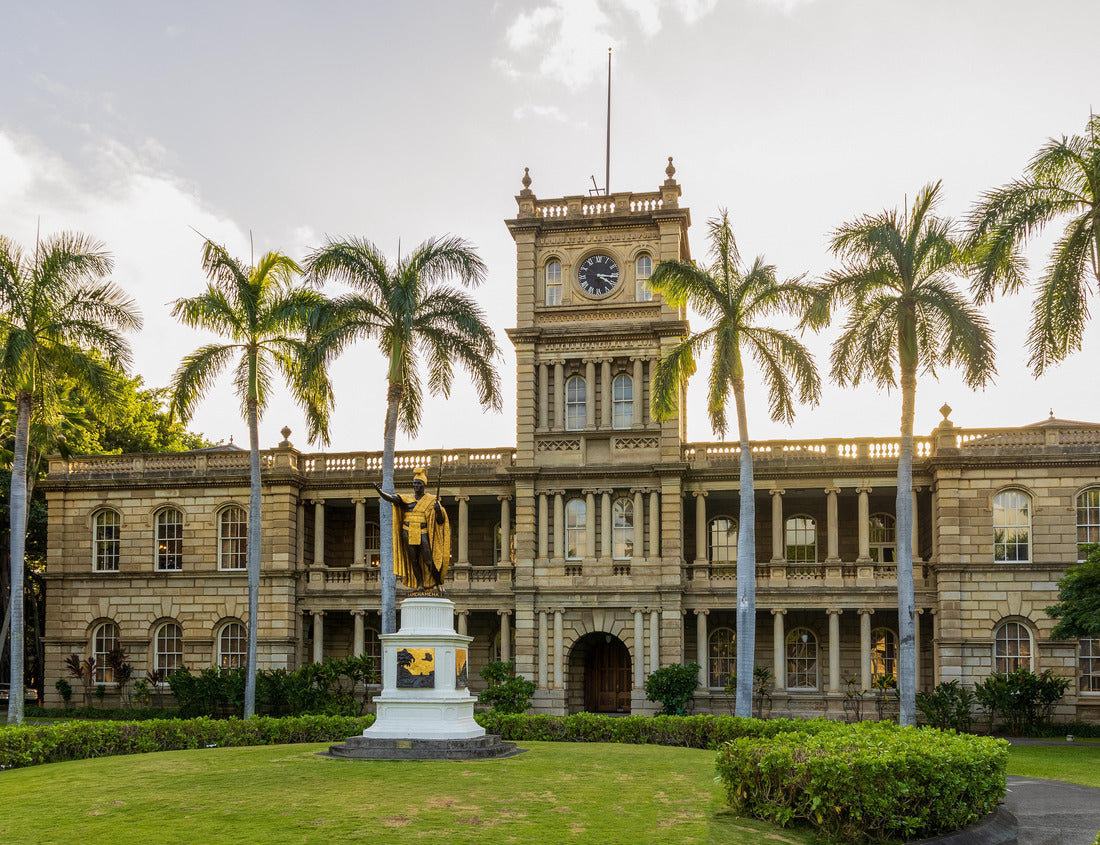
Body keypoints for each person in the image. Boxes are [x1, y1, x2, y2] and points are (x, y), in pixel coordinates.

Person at [374, 467, 451, 590]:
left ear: (423, 485)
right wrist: (381, 492)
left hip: (422, 531)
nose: (415, 486)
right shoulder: (406, 498)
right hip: (408, 531)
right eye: (414, 483)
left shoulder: (431, 500)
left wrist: (438, 511)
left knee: (428, 560)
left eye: (418, 483)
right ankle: (420, 584)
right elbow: (392, 498)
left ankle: (438, 583)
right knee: (413, 560)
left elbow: (440, 521)